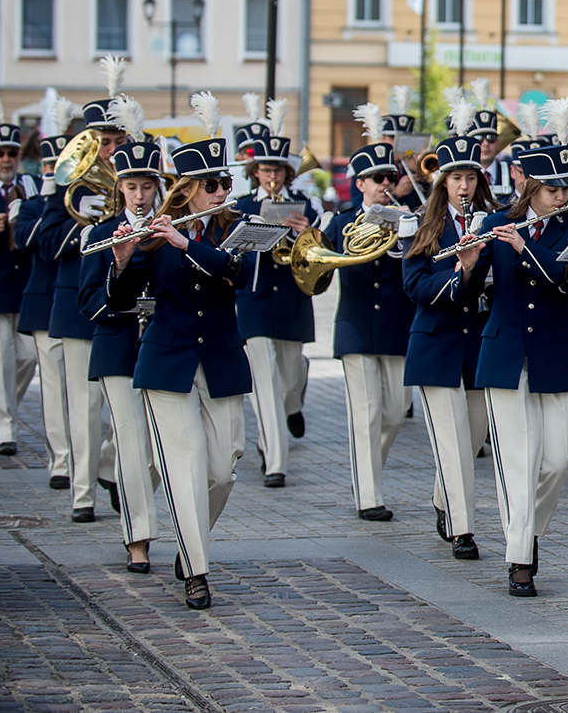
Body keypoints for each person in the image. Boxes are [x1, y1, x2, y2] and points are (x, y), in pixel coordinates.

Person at [106, 123, 253, 610]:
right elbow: (121, 301)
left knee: (223, 470)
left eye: (224, 183)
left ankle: (193, 544)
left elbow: (238, 272)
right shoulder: (152, 233)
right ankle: (196, 568)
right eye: (211, 185)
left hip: (221, 356)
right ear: (187, 190)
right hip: (167, 357)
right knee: (184, 463)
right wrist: (124, 261)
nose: (220, 191)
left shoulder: (239, 227)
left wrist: (187, 244)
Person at [453, 118, 568, 598]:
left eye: (565, 187)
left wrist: (526, 247)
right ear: (529, 185)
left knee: (557, 457)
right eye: (552, 188)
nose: (560, 196)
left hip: (556, 354)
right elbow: (468, 294)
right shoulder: (495, 224)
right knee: (518, 458)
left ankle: (526, 532)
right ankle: (520, 559)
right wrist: (469, 266)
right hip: (506, 352)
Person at [400, 106, 499, 560]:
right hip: (436, 343)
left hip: (479, 345)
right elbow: (415, 285)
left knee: (472, 439)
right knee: (453, 443)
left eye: (471, 178)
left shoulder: (493, 224)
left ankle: (444, 502)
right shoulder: (422, 224)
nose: (463, 185)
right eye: (456, 177)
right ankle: (463, 529)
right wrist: (462, 274)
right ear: (442, 180)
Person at [38, 98, 127, 523]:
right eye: (101, 141)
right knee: (85, 403)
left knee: (127, 402)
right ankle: (82, 492)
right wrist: (81, 225)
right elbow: (45, 243)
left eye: (115, 140)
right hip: (76, 302)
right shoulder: (68, 183)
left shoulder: (135, 180)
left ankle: (108, 465)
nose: (108, 149)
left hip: (123, 302)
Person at [78, 137, 164, 573]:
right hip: (117, 348)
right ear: (120, 187)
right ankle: (138, 538)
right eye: (131, 187)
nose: (139, 195)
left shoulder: (170, 230)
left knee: (153, 455)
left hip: (163, 347)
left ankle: (134, 503)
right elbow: (88, 301)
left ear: (157, 187)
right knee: (131, 446)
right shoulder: (99, 232)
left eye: (147, 187)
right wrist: (120, 269)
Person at [325, 141, 416, 522]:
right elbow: (318, 263)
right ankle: (368, 495)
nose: (386, 184)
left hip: (396, 327)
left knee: (394, 413)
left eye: (391, 178)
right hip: (357, 327)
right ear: (359, 183)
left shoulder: (407, 218)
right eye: (377, 178)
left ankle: (366, 474)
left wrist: (412, 228)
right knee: (366, 413)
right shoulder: (341, 222)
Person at [234, 130, 316, 488]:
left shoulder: (304, 204)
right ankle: (275, 462)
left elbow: (316, 252)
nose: (272, 177)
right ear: (255, 171)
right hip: (253, 297)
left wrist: (305, 231)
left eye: (278, 171)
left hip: (291, 297)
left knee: (287, 382)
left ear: (287, 173)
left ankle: (291, 407)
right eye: (266, 170)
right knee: (264, 383)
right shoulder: (240, 206)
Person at [14, 132, 70, 487]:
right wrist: (54, 203)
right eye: (48, 165)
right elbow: (32, 241)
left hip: (75, 305)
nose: (50, 171)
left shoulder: (80, 200)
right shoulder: (33, 205)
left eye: (57, 166)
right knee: (53, 389)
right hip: (43, 306)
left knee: (85, 391)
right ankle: (62, 462)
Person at [0, 113, 40, 457]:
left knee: (28, 357)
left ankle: (5, 408)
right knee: (0, 357)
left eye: (12, 153)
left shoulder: (30, 185)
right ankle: (5, 425)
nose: (6, 159)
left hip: (25, 284)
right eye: (0, 153)